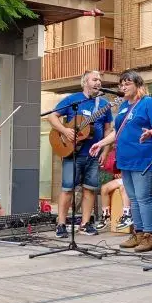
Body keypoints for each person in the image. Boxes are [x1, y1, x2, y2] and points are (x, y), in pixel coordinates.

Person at [89, 72, 152, 253]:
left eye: (127, 83)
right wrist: (100, 143)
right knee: (134, 199)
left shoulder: (148, 103)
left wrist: (151, 132)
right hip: (126, 158)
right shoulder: (123, 106)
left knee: (144, 198)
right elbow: (117, 132)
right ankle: (138, 233)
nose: (123, 87)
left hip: (144, 157)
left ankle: (149, 236)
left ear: (138, 85)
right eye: (121, 85)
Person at [47, 70, 112, 238]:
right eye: (94, 79)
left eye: (100, 80)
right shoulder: (73, 99)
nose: (98, 82)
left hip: (93, 155)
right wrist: (65, 131)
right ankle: (61, 224)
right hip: (72, 153)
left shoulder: (104, 104)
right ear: (85, 82)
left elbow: (108, 130)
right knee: (67, 189)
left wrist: (105, 151)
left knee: (89, 189)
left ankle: (85, 224)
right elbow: (52, 117)